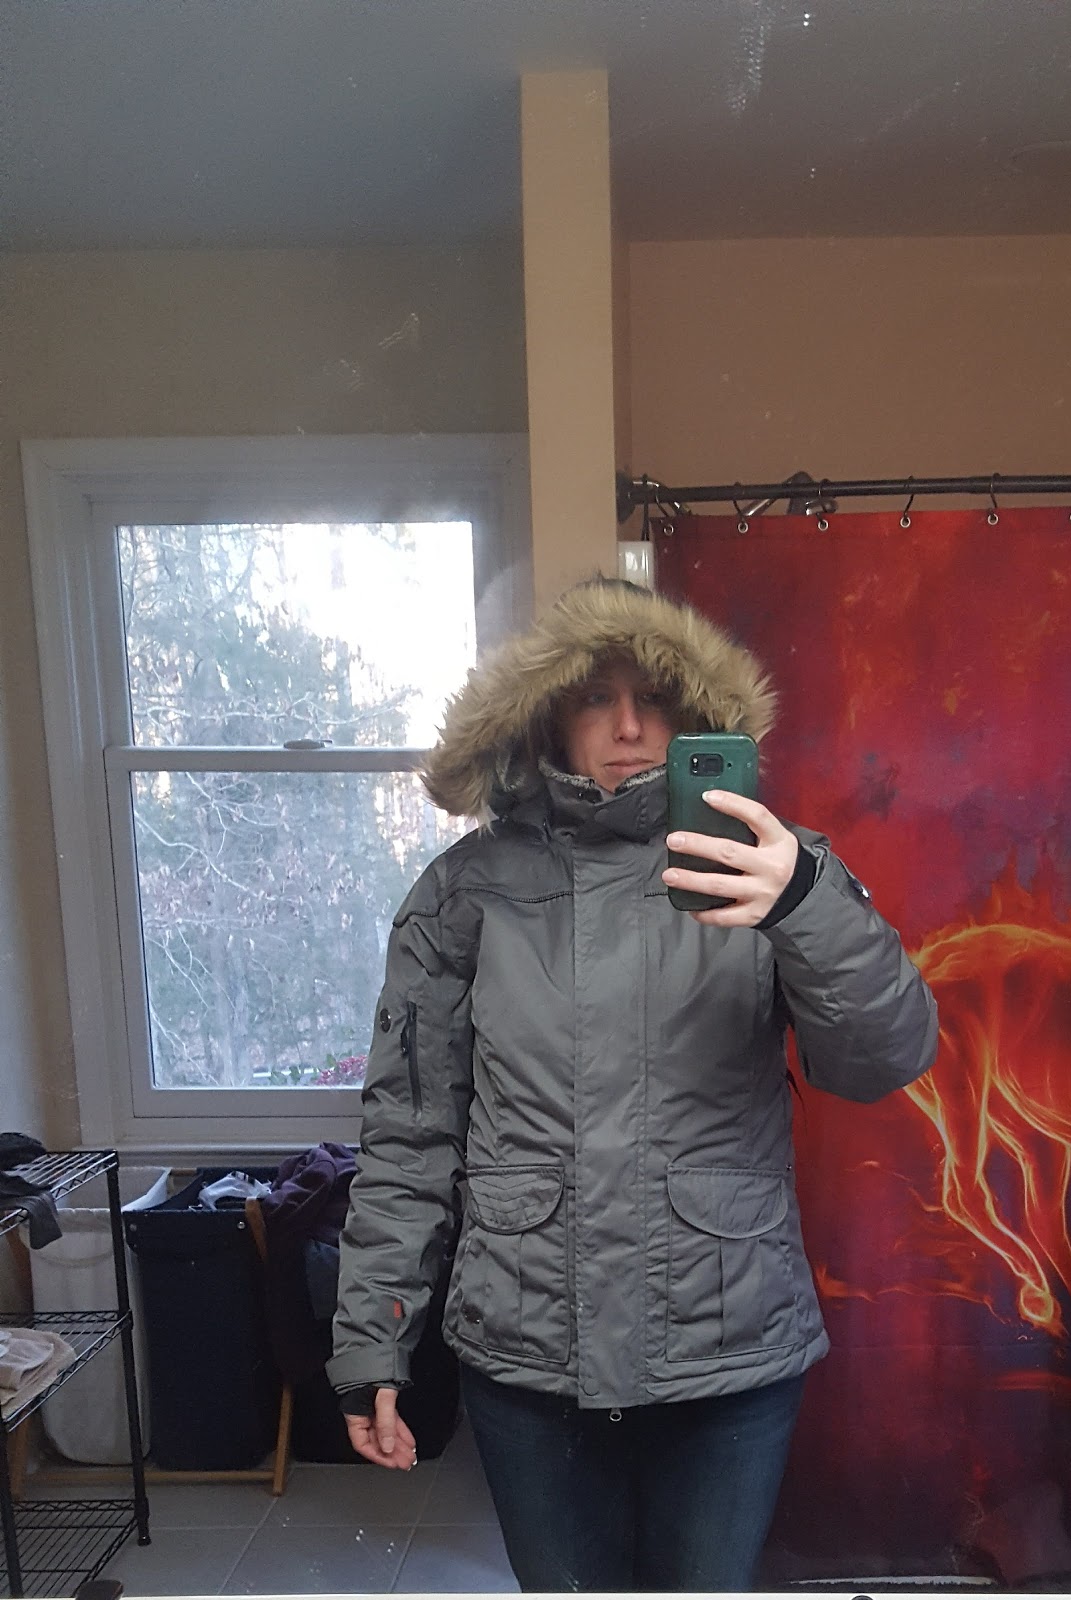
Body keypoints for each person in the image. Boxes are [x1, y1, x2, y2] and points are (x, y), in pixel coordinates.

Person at [328, 578, 938, 1591]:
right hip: (527, 1353)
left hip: (725, 1347)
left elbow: (884, 1058)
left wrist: (805, 904)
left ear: (694, 717)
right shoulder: (464, 894)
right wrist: (371, 1344)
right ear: (546, 715)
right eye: (593, 697)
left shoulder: (771, 871)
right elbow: (410, 1135)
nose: (625, 726)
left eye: (652, 697)